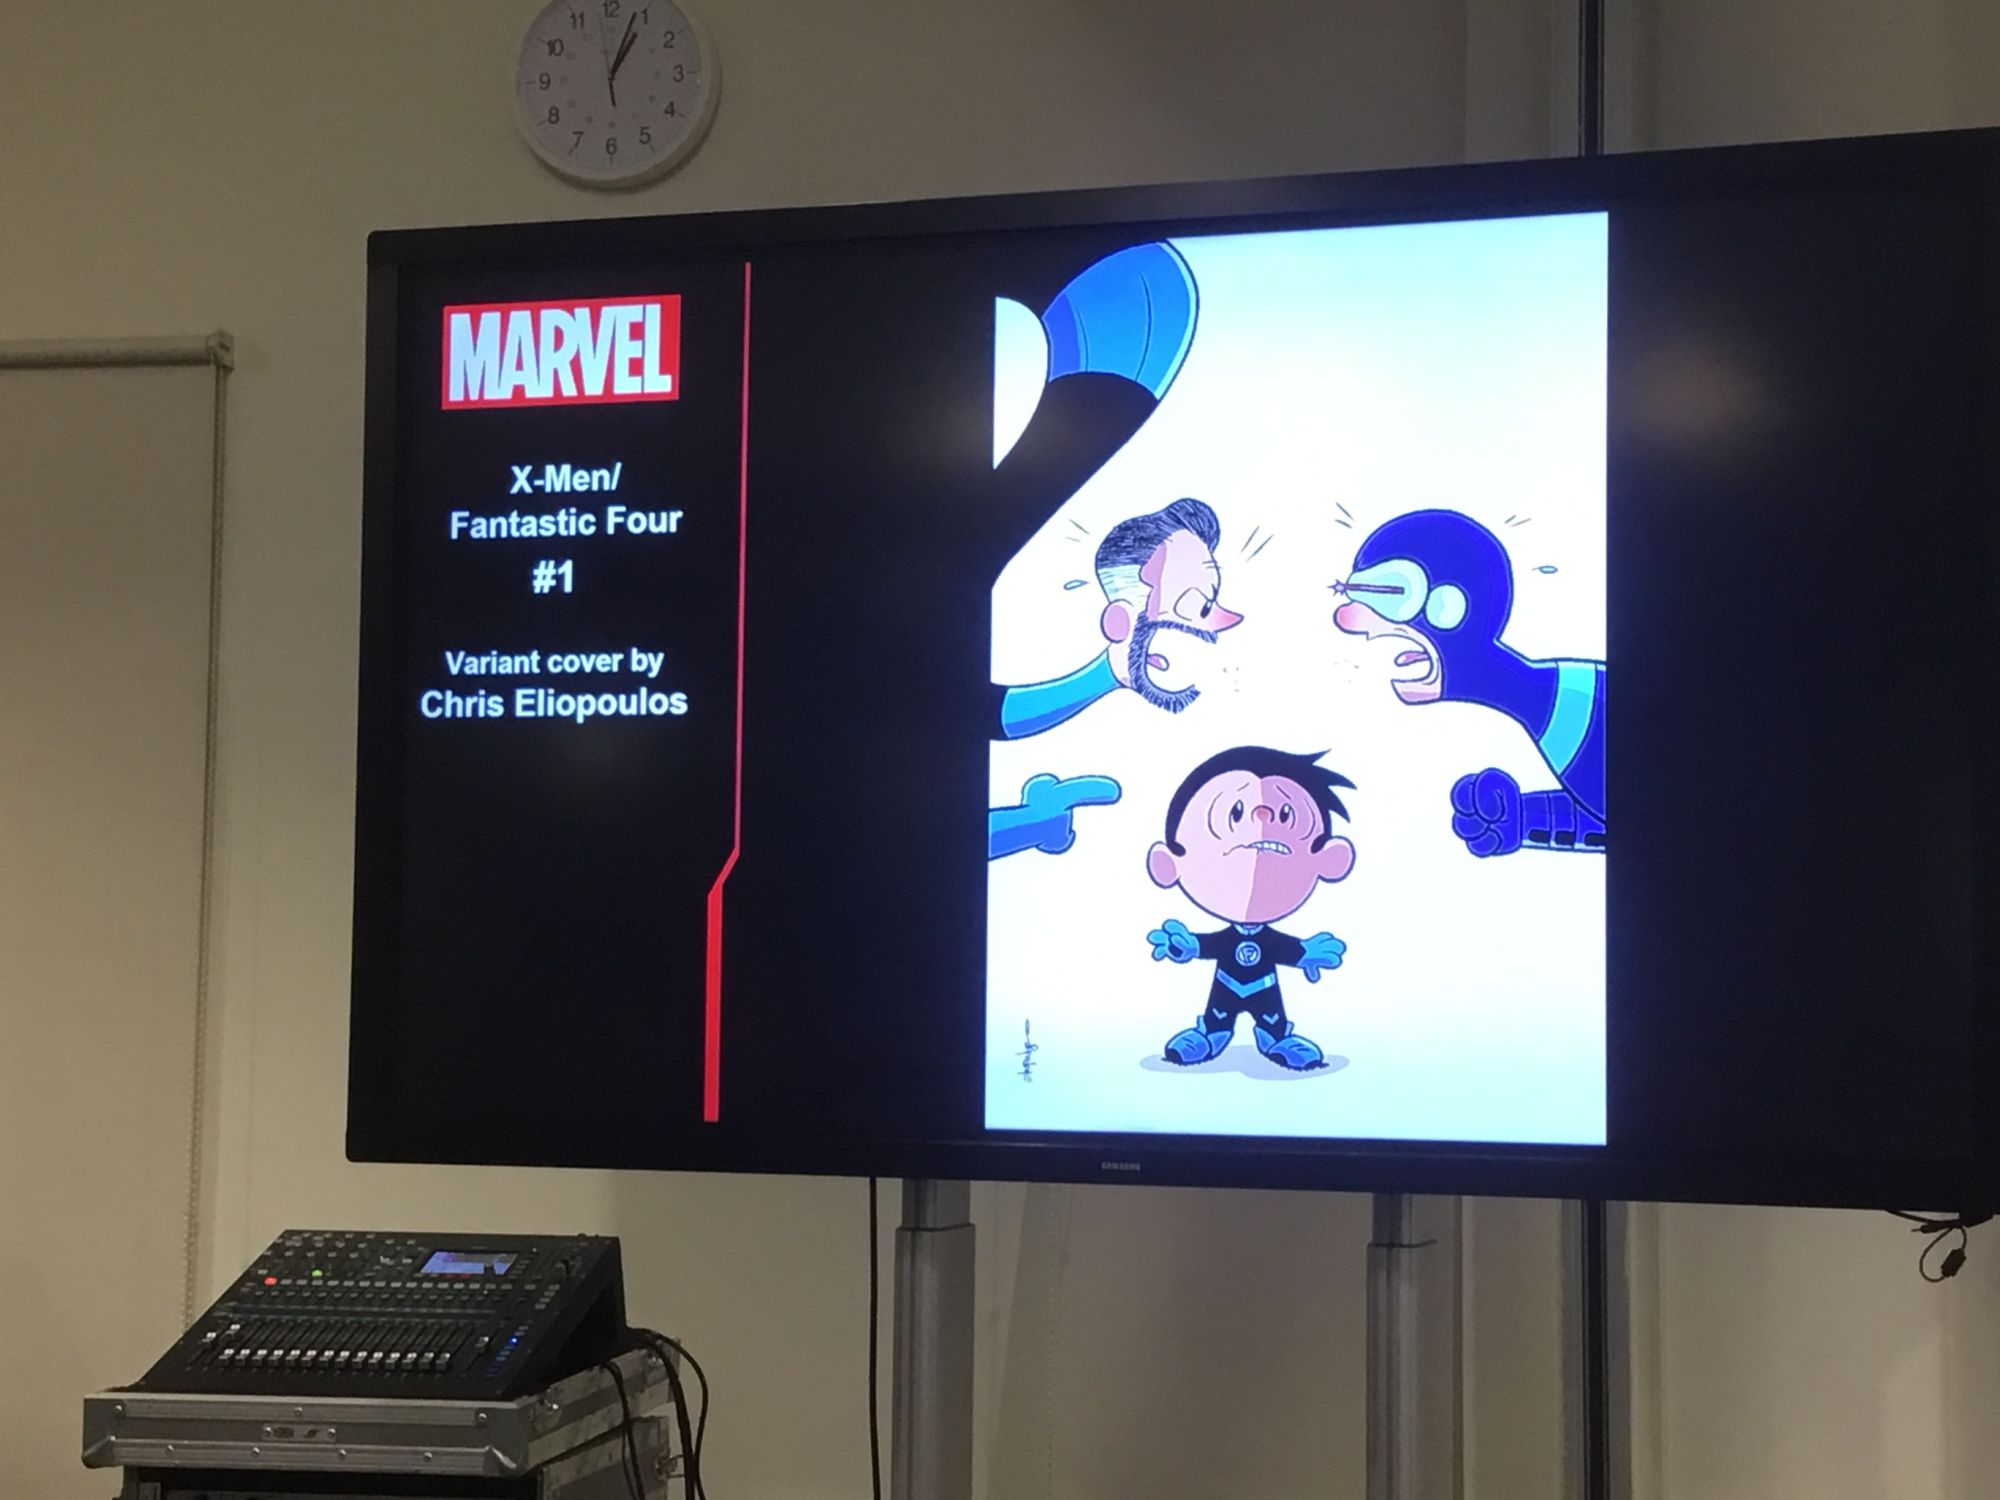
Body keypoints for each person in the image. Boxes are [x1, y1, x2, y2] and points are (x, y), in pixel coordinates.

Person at [1144, 746, 1355, 1071]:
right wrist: (1187, 945)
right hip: (1226, 985)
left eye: (1285, 815)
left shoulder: (1267, 937)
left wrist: (1306, 953)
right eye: (1233, 813)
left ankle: (1275, 1038)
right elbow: (1213, 944)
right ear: (1171, 864)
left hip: (1264, 987)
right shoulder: (1230, 935)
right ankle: (1211, 1035)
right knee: (1218, 1016)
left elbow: (1282, 947)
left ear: (1326, 860)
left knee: (1271, 1018)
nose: (1261, 819)